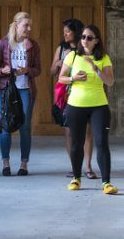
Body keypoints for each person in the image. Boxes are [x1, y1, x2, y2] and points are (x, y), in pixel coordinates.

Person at [58, 24, 118, 194]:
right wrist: (73, 78)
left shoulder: (104, 58)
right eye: (83, 37)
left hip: (99, 105)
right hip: (76, 105)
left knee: (101, 142)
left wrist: (95, 69)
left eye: (89, 37)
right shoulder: (73, 56)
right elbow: (61, 78)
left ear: (96, 41)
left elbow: (110, 81)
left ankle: (106, 183)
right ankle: (76, 178)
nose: (85, 40)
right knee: (77, 143)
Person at [0, 11, 41, 176]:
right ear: (16, 25)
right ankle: (5, 163)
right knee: (5, 126)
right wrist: (3, 70)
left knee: (25, 127)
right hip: (7, 89)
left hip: (26, 90)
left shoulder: (33, 45)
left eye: (30, 25)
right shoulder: (3, 43)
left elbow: (38, 70)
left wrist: (27, 70)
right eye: (26, 25)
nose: (29, 28)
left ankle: (23, 164)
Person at [49, 18, 97, 179]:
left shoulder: (84, 47)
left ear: (76, 32)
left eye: (68, 31)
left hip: (85, 92)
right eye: (64, 32)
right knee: (69, 131)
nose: (65, 34)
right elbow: (52, 72)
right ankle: (74, 166)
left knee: (88, 130)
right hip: (66, 94)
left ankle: (88, 166)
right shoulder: (61, 48)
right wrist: (59, 63)